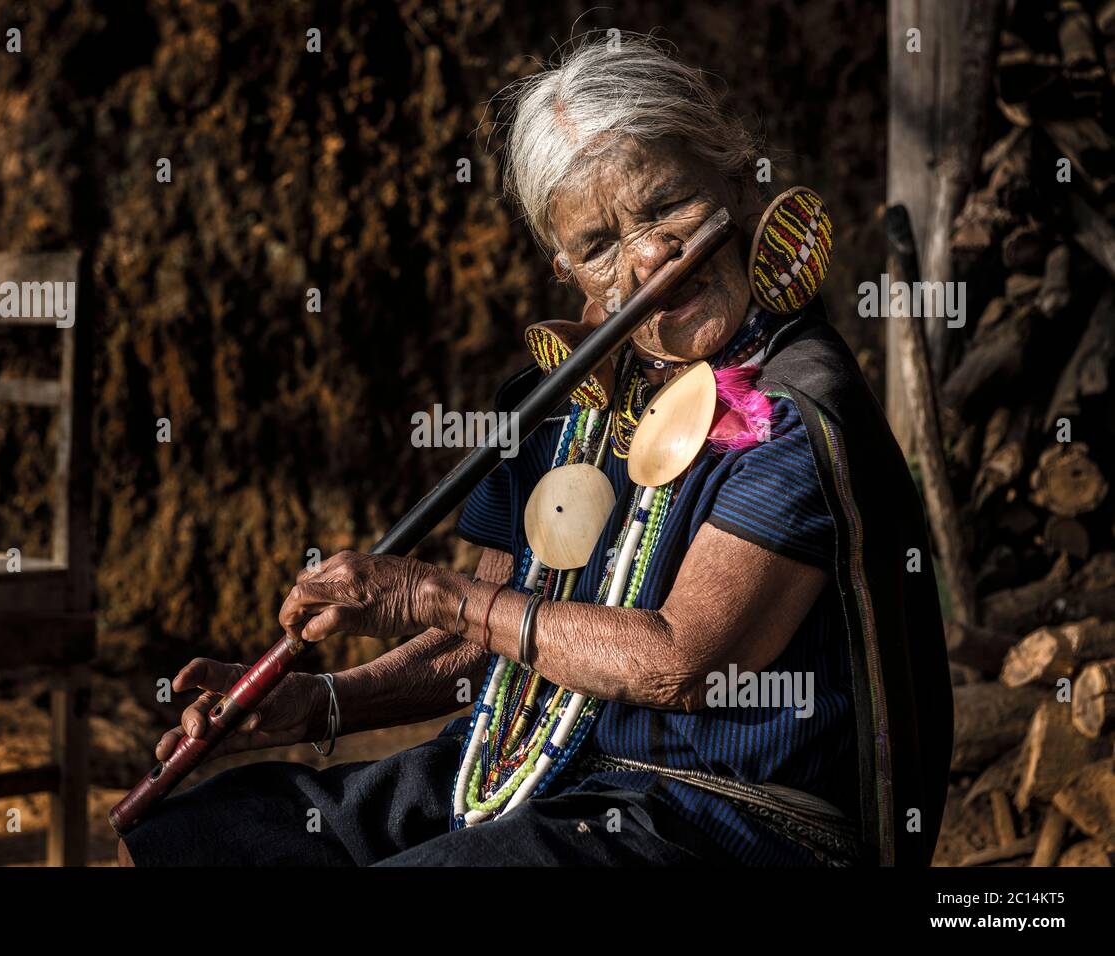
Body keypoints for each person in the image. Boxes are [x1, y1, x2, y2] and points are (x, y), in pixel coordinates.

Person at [119, 34, 951, 868]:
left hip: (729, 820)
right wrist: (322, 704)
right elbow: (485, 645)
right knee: (187, 844)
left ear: (737, 183)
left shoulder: (796, 408)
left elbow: (676, 661)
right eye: (599, 245)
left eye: (668, 206)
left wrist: (430, 594)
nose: (650, 257)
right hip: (526, 770)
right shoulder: (548, 405)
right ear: (566, 272)